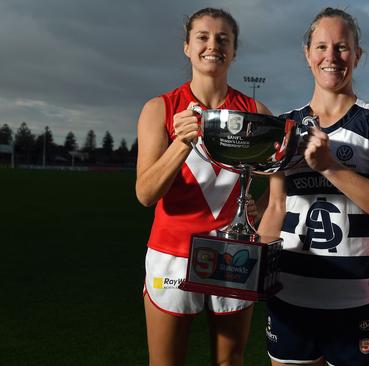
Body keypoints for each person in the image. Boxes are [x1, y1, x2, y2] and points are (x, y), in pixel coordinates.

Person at [257, 7, 369, 366]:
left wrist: (329, 166)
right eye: (322, 46)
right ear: (307, 53)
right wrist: (254, 267)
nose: (331, 57)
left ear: (358, 55)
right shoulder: (285, 126)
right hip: (290, 293)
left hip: (359, 298)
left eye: (342, 47)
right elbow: (276, 208)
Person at [135, 8, 272, 366]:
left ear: (234, 50)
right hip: (172, 256)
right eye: (203, 37)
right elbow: (146, 194)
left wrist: (257, 206)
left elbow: (279, 172)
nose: (214, 45)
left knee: (230, 361)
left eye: (223, 39)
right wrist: (181, 143)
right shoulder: (159, 109)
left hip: (234, 255)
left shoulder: (254, 110)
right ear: (187, 47)